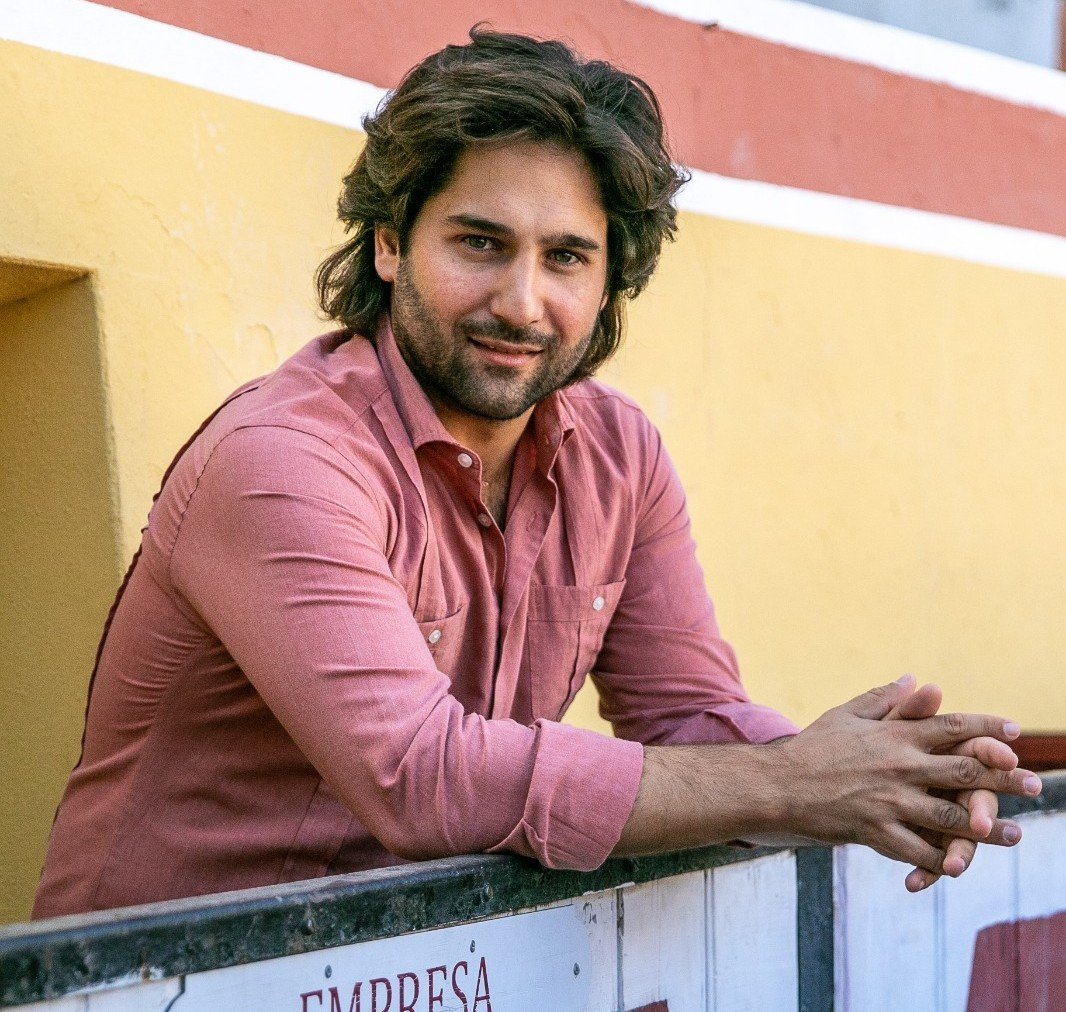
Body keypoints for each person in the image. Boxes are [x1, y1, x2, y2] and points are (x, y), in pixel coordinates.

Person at [33, 29, 1040, 919]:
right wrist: (792, 784)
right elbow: (422, 777)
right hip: (166, 982)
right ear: (389, 244)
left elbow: (685, 716)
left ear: (611, 280)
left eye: (565, 257)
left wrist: (875, 773)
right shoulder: (285, 459)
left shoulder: (618, 453)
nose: (521, 302)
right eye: (479, 242)